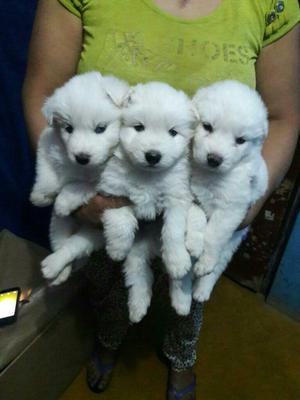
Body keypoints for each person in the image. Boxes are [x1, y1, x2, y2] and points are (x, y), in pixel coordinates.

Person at [22, 1, 300, 399]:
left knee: (190, 291)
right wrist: (74, 190)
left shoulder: (271, 6)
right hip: (108, 187)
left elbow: (283, 116)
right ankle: (108, 338)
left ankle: (181, 354)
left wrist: (246, 201)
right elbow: (43, 92)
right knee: (106, 280)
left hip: (207, 194)